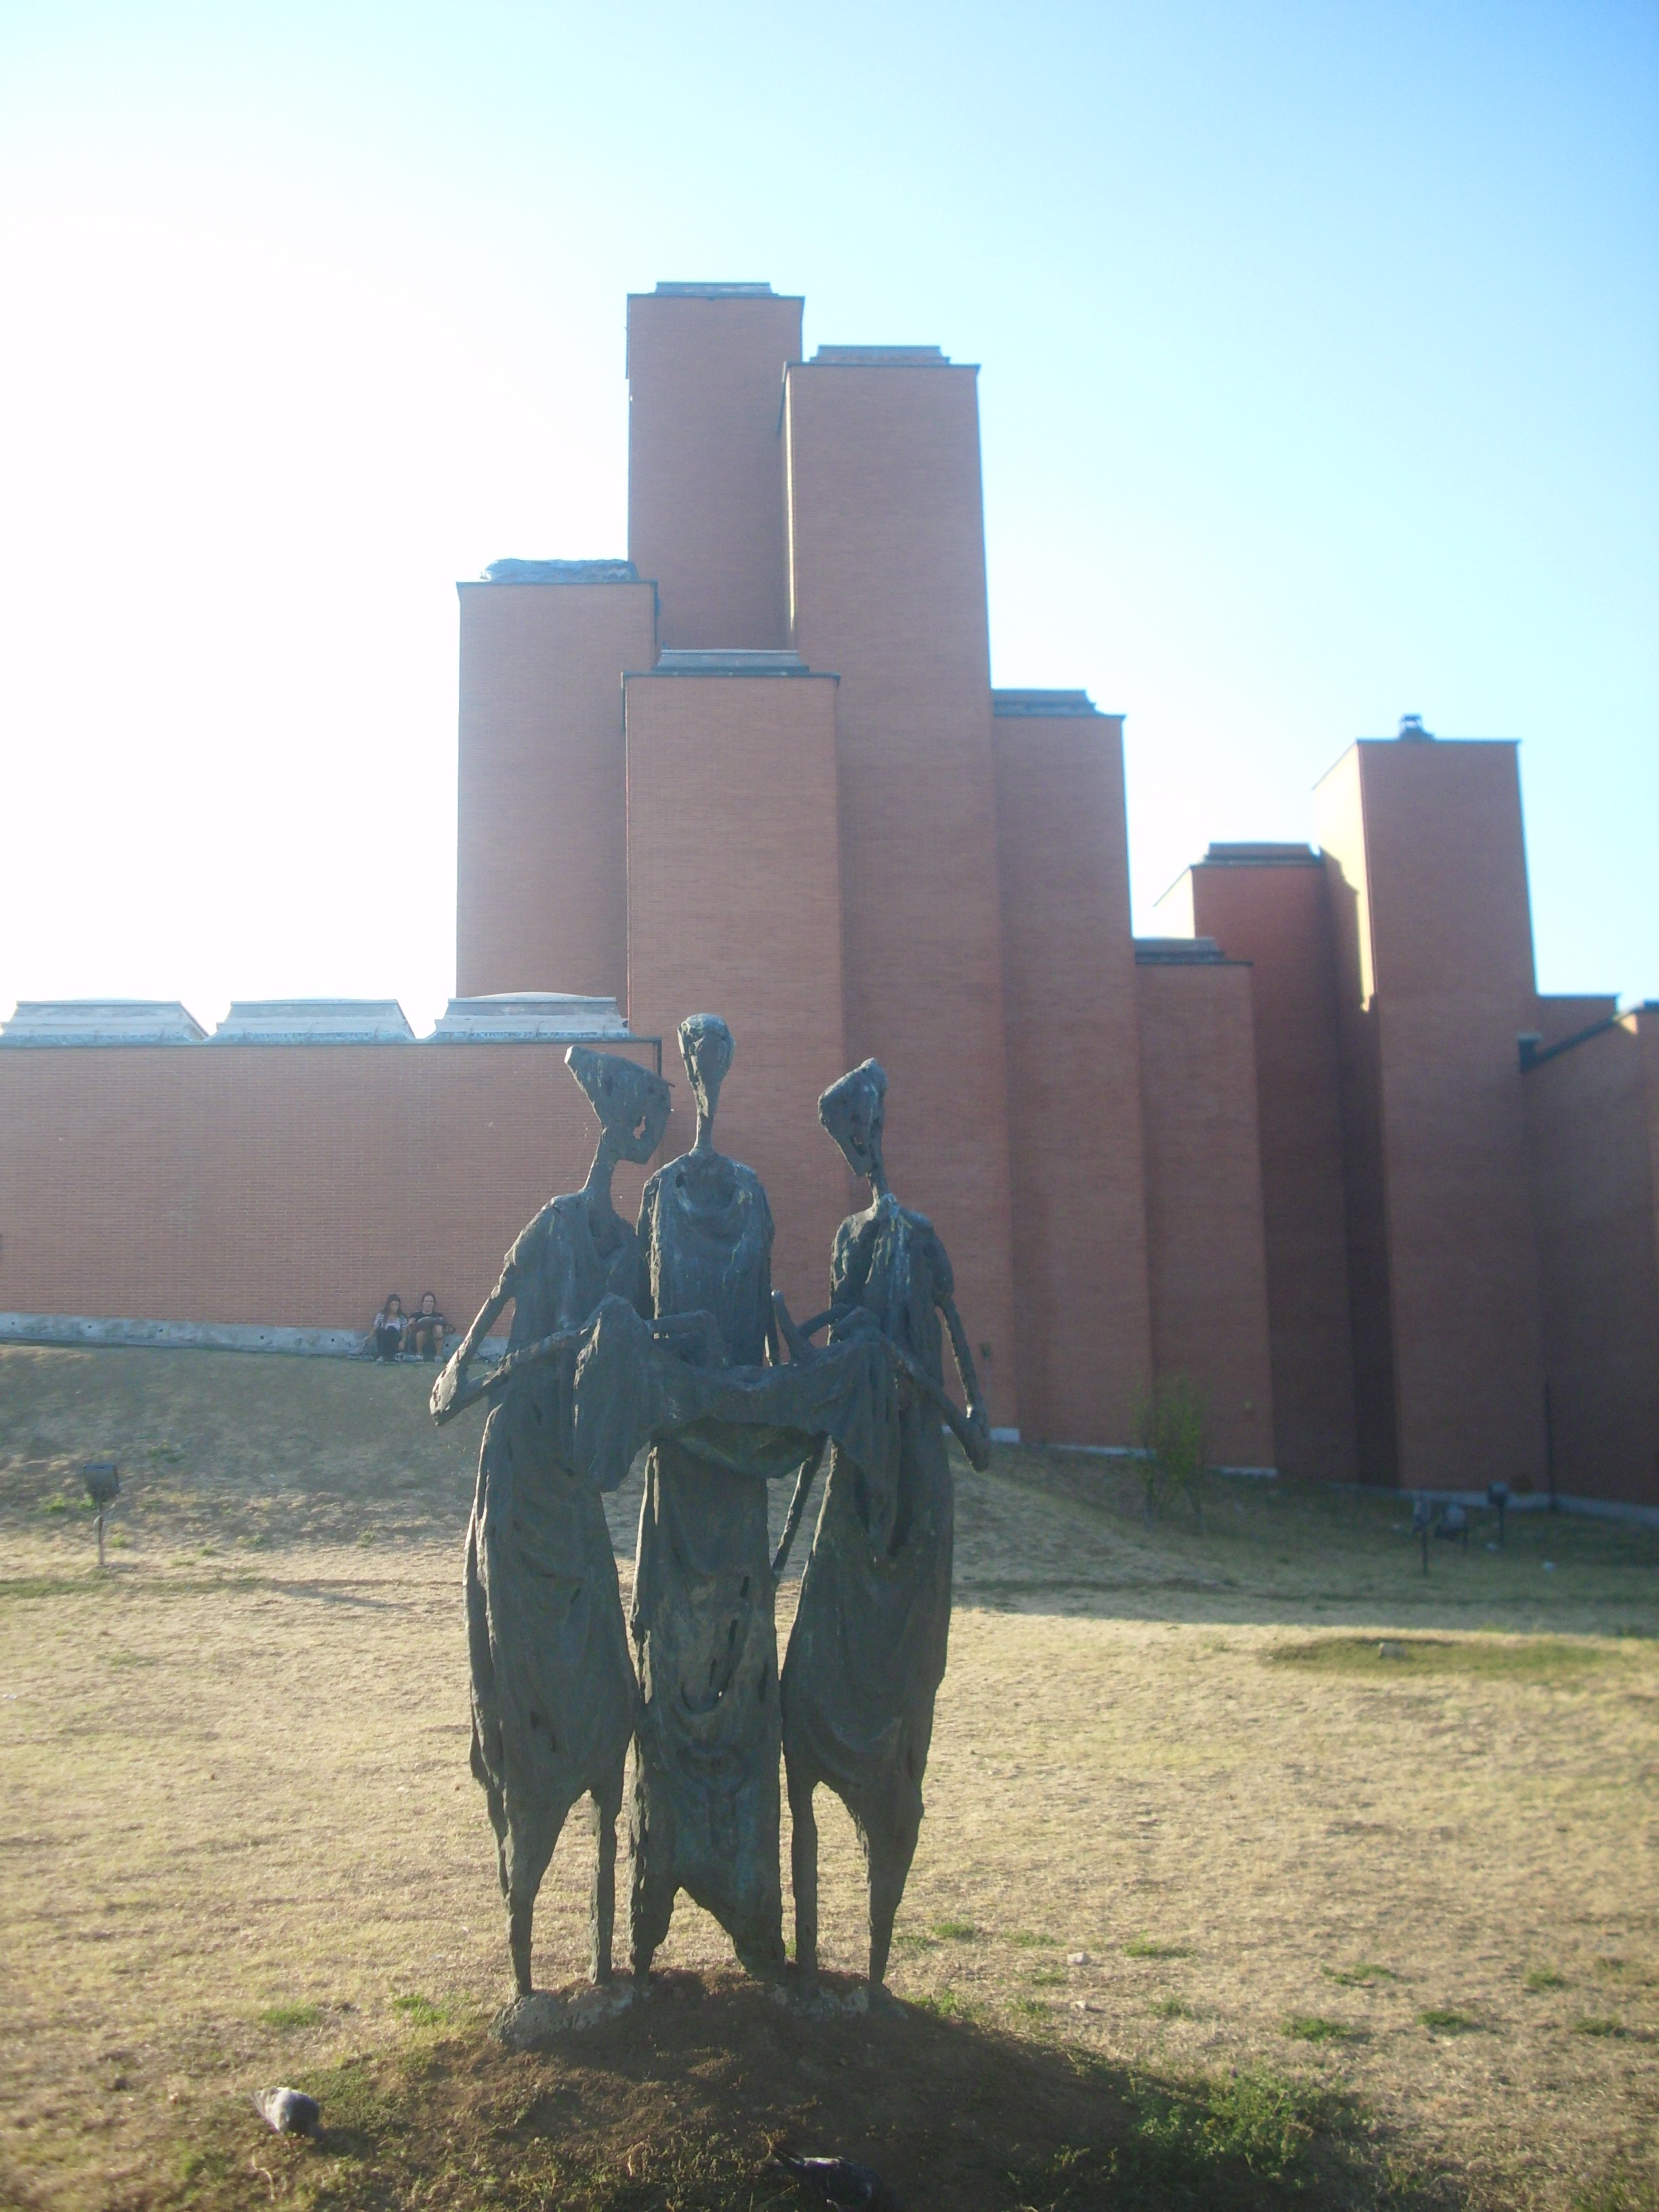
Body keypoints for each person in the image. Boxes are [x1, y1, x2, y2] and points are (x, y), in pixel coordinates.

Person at [436, 1045, 672, 1996]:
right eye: (613, 1120)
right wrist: (479, 1369)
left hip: (572, 1485)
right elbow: (469, 1356)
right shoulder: (553, 1228)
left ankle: (606, 1956)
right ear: (599, 1127)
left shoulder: (629, 1256)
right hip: (516, 1474)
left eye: (634, 1127)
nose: (619, 1140)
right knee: (523, 1685)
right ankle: (527, 1965)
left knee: (601, 1678)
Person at [780, 1059, 990, 2005]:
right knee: (810, 1693)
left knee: (907, 1703)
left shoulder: (924, 1240)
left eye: (862, 1130)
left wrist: (968, 1413)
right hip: (853, 1483)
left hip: (916, 1489)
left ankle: (874, 1961)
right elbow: (834, 1371)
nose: (858, 1150)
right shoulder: (850, 1243)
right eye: (843, 1138)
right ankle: (810, 1960)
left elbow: (951, 1350)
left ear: (880, 1131)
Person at [629, 1013, 788, 1986]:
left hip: (735, 1475)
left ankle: (748, 1894)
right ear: (688, 1073)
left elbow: (766, 1331)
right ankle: (657, 1888)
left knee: (741, 1667)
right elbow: (644, 1327)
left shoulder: (755, 1198)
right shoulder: (659, 1197)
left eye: (721, 1061)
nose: (709, 1078)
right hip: (682, 1470)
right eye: (699, 1063)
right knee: (672, 1666)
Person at [406, 1291, 447, 1361]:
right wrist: (410, 1324)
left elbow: (445, 1329)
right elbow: (410, 1332)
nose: (429, 1304)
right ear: (423, 1303)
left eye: (431, 1302)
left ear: (434, 1304)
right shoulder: (416, 1316)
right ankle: (419, 1355)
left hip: (435, 1339)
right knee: (420, 1334)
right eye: (427, 1301)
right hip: (420, 1339)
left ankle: (438, 1356)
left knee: (439, 1328)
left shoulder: (438, 1316)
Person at [369, 1294, 405, 1360]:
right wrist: (369, 1337)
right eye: (393, 1305)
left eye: (397, 1305)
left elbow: (404, 1334)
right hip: (385, 1342)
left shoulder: (401, 1318)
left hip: (395, 1342)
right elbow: (374, 1330)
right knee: (381, 1330)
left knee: (391, 1329)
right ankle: (382, 1355)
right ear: (389, 1305)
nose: (395, 1307)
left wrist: (403, 1342)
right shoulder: (381, 1316)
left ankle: (392, 1355)